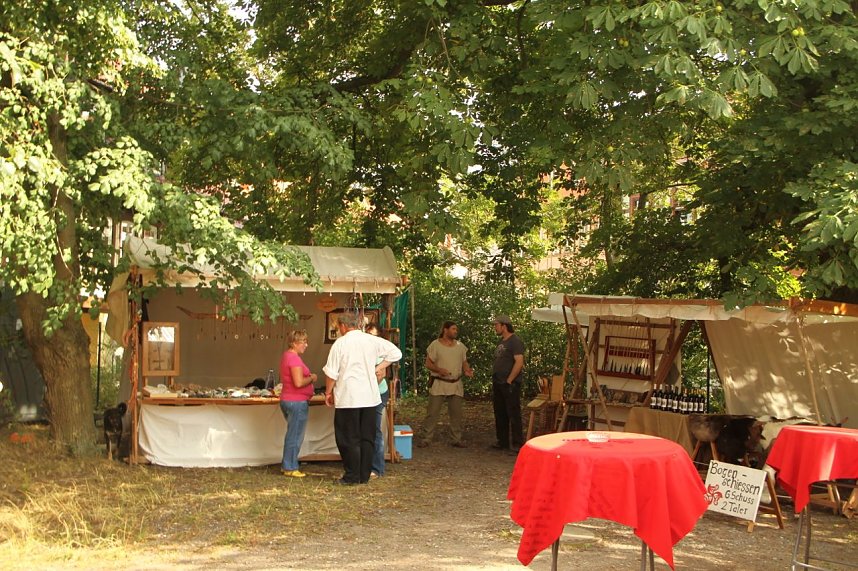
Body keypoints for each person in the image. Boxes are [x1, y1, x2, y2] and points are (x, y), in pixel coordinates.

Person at [324, 313, 402, 485]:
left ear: (343, 326)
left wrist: (328, 392)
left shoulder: (340, 343)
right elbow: (396, 353)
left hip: (348, 397)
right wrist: (380, 366)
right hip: (370, 397)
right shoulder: (371, 340)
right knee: (367, 437)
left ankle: (352, 475)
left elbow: (331, 373)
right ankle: (364, 474)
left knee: (348, 438)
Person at [418, 321, 473, 448]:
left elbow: (464, 361)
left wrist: (467, 370)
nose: (455, 331)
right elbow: (428, 363)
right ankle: (426, 438)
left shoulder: (460, 346)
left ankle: (456, 439)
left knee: (456, 414)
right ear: (445, 330)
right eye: (453, 329)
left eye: (456, 330)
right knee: (432, 412)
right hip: (439, 383)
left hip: (456, 384)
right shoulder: (435, 345)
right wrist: (439, 370)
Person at [279, 329, 317, 477]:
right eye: (303, 342)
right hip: (296, 402)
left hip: (288, 399)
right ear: (294, 343)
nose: (306, 345)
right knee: (295, 435)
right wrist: (312, 378)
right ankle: (289, 467)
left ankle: (288, 464)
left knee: (293, 433)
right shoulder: (294, 359)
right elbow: (299, 382)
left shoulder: (286, 356)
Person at [491, 315, 525, 452]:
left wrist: (510, 379)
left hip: (509, 383)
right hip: (498, 382)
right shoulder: (502, 341)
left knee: (513, 413)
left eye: (496, 325)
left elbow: (519, 361)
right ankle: (502, 441)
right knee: (500, 412)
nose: (495, 327)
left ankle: (517, 443)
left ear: (504, 326)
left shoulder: (515, 341)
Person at [366, 323, 390, 478]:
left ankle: (377, 468)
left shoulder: (380, 353)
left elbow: (380, 375)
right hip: (366, 394)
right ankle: (367, 464)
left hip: (378, 393)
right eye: (368, 334)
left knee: (375, 430)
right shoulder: (364, 350)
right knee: (366, 429)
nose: (370, 338)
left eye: (374, 335)